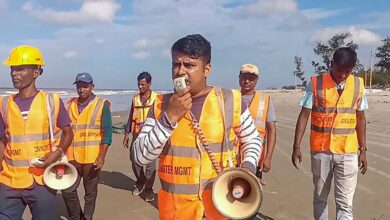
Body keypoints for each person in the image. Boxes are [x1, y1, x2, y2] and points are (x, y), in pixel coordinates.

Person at [132, 34, 263, 219]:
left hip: (221, 207)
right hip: (177, 212)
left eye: (189, 65)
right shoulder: (161, 105)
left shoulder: (230, 101)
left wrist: (248, 168)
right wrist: (168, 118)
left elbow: (252, 140)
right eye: (176, 64)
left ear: (206, 69)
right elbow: (140, 156)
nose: (180, 71)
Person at [291, 47, 368, 220]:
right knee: (320, 198)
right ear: (331, 64)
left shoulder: (357, 85)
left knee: (345, 202)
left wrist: (363, 150)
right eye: (339, 70)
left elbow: (361, 119)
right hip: (321, 151)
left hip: (348, 152)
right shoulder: (316, 83)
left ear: (353, 69)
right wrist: (296, 146)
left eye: (347, 72)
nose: (342, 75)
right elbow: (304, 116)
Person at [0, 45, 74, 220]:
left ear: (36, 72)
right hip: (9, 180)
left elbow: (68, 132)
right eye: (12, 69)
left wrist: (57, 154)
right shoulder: (3, 104)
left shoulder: (51, 101)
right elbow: (2, 141)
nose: (14, 73)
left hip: (42, 180)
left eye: (20, 69)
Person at [62, 72, 112, 220]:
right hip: (72, 157)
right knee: (67, 190)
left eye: (85, 86)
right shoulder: (70, 105)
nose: (81, 89)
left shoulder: (102, 105)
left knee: (90, 193)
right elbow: (63, 130)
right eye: (79, 86)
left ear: (92, 86)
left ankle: (88, 217)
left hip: (92, 158)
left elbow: (107, 132)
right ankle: (76, 216)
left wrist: (102, 155)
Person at [238, 64, 277, 184]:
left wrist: (268, 157)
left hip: (255, 159)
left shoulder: (265, 100)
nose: (247, 81)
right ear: (239, 77)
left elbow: (271, 130)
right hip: (232, 158)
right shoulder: (231, 98)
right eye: (244, 77)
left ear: (256, 81)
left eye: (251, 78)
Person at [123, 71, 157, 202]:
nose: (140, 87)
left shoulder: (156, 99)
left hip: (152, 136)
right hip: (137, 135)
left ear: (149, 84)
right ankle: (140, 181)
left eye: (143, 84)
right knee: (135, 160)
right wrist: (127, 134)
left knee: (150, 165)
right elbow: (131, 116)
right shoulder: (135, 99)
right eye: (139, 84)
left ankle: (149, 190)